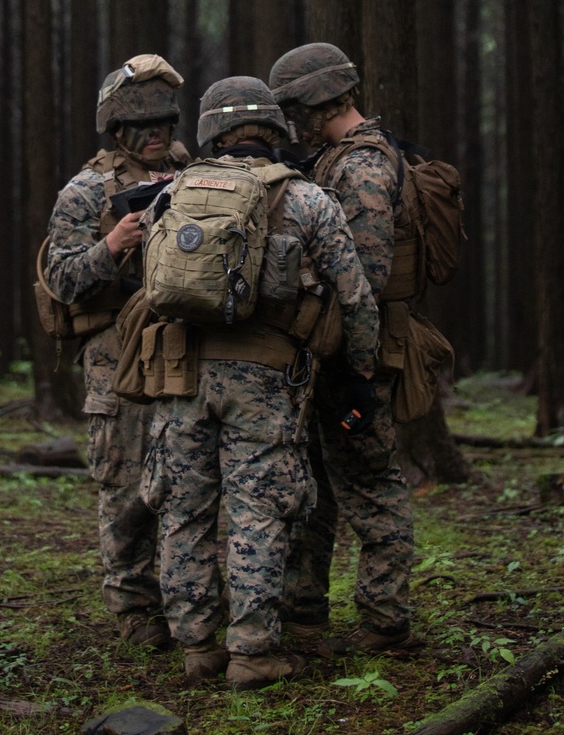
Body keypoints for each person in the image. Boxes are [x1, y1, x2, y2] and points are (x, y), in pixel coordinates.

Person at [140, 77, 379, 689]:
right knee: (260, 512)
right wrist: (360, 375)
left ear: (209, 132)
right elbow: (356, 298)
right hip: (267, 381)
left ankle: (196, 646)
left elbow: (152, 283)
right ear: (272, 129)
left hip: (183, 376)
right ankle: (251, 652)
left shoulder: (173, 195)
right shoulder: (307, 200)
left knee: (183, 512)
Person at [269, 42, 416, 654]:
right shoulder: (338, 159)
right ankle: (306, 611)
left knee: (370, 481)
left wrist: (356, 366)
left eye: (291, 109)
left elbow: (368, 277)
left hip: (361, 351)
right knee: (319, 485)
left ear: (313, 102)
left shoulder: (360, 167)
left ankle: (385, 622)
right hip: (333, 350)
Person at [45, 55, 190, 649]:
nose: (156, 134)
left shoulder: (196, 172)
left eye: (164, 122)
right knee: (126, 484)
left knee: (188, 478)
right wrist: (112, 244)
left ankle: (192, 592)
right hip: (115, 352)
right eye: (142, 125)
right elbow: (61, 279)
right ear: (116, 129)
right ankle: (134, 605)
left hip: (184, 344)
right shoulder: (85, 191)